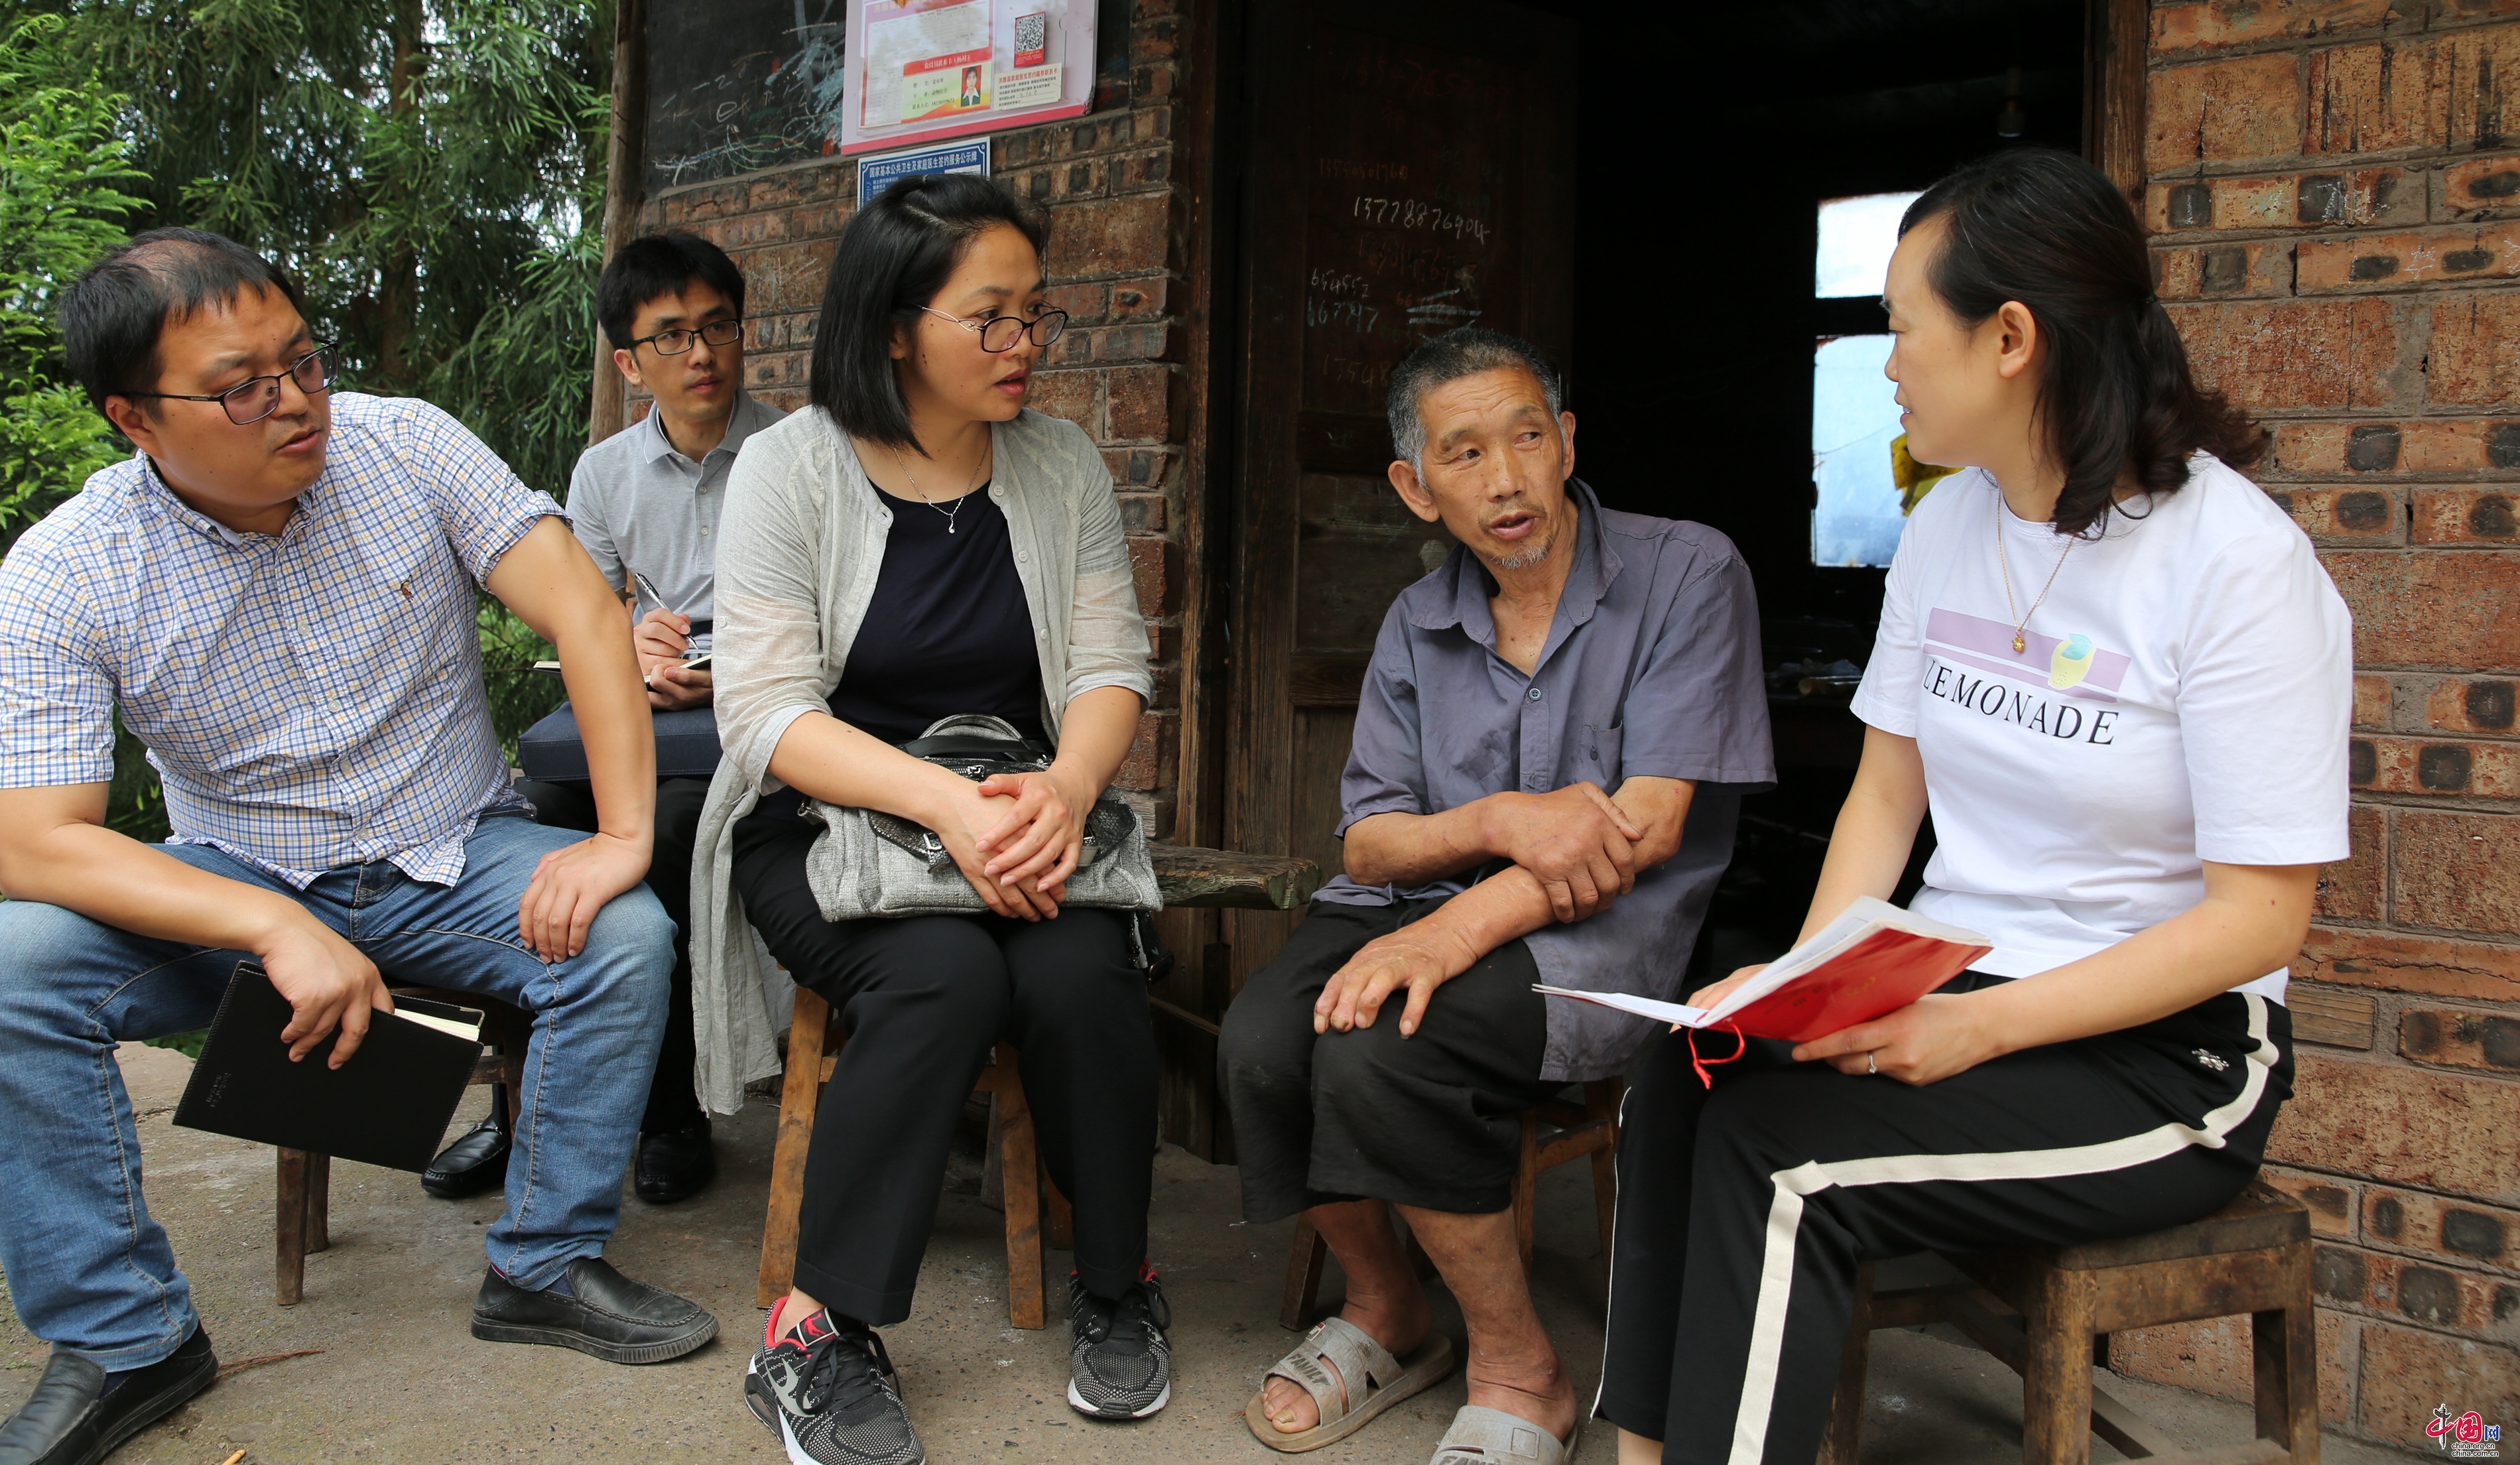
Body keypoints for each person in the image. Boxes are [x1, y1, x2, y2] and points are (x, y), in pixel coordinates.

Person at [1595, 147, 2352, 1465]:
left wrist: (1985, 1030)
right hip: (1948, 981)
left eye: (1901, 329)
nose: (1887, 362)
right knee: (1688, 1070)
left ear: (2011, 338)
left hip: (2164, 1050)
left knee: (1784, 1166)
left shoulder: (2238, 566)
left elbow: (2257, 919)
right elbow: (1888, 792)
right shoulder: (1949, 523)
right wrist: (1806, 977)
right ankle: (1645, 1450)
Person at [0, 230, 718, 1465]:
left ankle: (543, 1263)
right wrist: (278, 925)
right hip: (238, 874)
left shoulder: (405, 445)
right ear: (136, 418)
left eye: (304, 360)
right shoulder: (68, 572)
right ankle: (127, 1337)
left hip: (450, 847)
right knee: (15, 968)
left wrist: (620, 837)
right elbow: (33, 844)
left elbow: (587, 616)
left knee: (624, 932)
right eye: (243, 385)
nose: (296, 402)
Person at [1222, 328, 1775, 1465]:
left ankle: (1522, 1366)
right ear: (1415, 488)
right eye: (1464, 453)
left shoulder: (1689, 571)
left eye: (1529, 435)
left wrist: (1460, 924)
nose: (1508, 477)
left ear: (1568, 440)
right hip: (1407, 907)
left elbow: (1653, 821)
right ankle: (1387, 1306)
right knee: (1261, 1045)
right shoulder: (1416, 625)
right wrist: (1490, 823)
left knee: (1386, 1049)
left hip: (1598, 936)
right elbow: (1372, 844)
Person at [685, 174, 1163, 1465]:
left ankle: (1118, 1283)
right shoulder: (791, 469)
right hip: (830, 819)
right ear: (896, 324)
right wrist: (948, 806)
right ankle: (814, 1333)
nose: (1024, 342)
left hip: (1020, 807)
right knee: (944, 979)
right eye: (990, 316)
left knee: (1083, 978)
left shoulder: (1058, 464)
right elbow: (768, 714)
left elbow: (1115, 665)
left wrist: (1060, 795)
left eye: (1033, 314)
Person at [423, 230, 783, 1208]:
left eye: (716, 327)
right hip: (642, 717)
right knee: (525, 823)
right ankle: (515, 1112)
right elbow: (582, 613)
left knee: (663, 841)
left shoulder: (799, 454)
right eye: (670, 337)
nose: (701, 354)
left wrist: (732, 664)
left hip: (756, 727)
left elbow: (843, 621)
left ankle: (671, 1112)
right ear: (628, 362)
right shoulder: (602, 473)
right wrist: (629, 640)